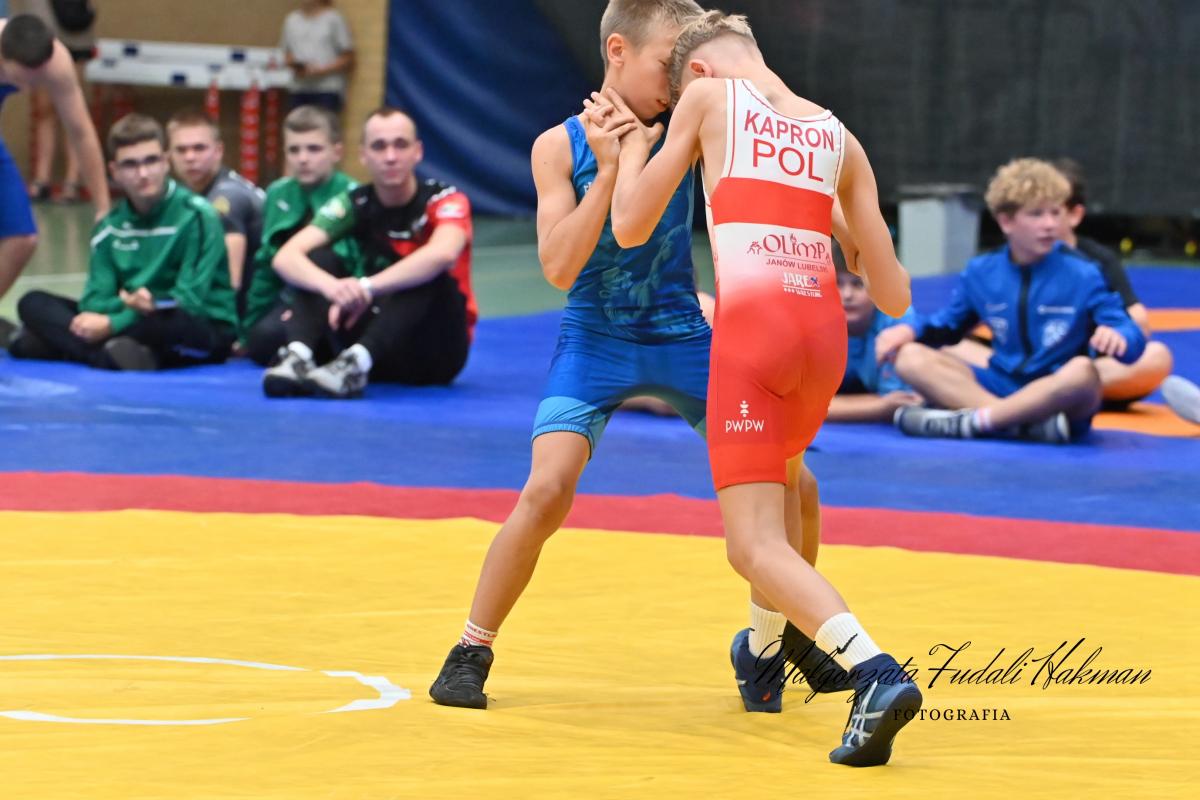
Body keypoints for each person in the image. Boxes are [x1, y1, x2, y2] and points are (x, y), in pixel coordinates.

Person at [605, 10, 921, 766]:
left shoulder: (707, 100)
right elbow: (895, 294)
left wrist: (630, 148)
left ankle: (874, 672)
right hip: (822, 344)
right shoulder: (839, 136)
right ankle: (763, 651)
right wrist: (839, 227)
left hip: (754, 337)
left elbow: (630, 226)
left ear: (698, 72)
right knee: (782, 486)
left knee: (752, 544)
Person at [428, 0, 721, 710]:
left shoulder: (690, 128)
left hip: (682, 332)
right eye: (667, 65)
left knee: (789, 482)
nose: (678, 82)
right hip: (596, 337)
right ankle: (470, 649)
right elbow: (559, 268)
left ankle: (775, 641)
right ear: (618, 51)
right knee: (546, 489)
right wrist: (614, 169)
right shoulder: (557, 147)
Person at [879, 158, 1146, 443]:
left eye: (1056, 213)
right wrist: (910, 330)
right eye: (1037, 214)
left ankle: (978, 420)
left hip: (1057, 392)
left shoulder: (1085, 272)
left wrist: (1120, 337)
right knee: (910, 357)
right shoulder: (982, 272)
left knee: (1083, 371)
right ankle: (1015, 424)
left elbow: (1132, 338)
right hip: (1001, 385)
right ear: (1006, 221)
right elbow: (946, 326)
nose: (1050, 224)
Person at [268, 106, 474, 397]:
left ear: (417, 152)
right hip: (376, 341)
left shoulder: (445, 199)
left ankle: (355, 363)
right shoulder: (355, 203)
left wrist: (366, 287)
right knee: (320, 260)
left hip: (435, 352)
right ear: (363, 155)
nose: (390, 156)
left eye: (400, 145)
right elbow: (286, 257)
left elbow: (443, 253)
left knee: (427, 271)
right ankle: (298, 356)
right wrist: (334, 288)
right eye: (379, 146)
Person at [7, 113, 236, 370]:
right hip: (133, 317)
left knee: (168, 322)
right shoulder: (109, 227)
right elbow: (94, 301)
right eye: (130, 164)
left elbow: (189, 300)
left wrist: (113, 323)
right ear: (114, 171)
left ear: (165, 162)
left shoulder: (198, 216)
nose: (143, 173)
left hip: (193, 323)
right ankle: (115, 354)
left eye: (151, 161)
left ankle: (72, 348)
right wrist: (127, 306)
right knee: (32, 302)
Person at [0, 13, 109, 324]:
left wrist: (103, 207)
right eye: (23, 78)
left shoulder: (56, 59)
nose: (30, 86)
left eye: (37, 78)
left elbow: (81, 132)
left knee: (22, 239)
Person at [242, 104, 358, 365]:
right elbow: (265, 267)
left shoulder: (353, 195)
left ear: (336, 152)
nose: (303, 159)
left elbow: (356, 268)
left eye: (314, 149)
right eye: (294, 150)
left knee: (321, 256)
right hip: (288, 299)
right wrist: (248, 327)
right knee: (261, 340)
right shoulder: (277, 193)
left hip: (339, 303)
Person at [166, 108, 265, 315]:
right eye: (181, 150)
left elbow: (230, 283)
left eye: (199, 148)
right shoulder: (188, 194)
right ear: (168, 156)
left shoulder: (227, 198)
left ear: (218, 150)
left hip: (252, 313)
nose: (190, 157)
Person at [828, 243, 923, 423]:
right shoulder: (812, 325)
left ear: (879, 288)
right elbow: (799, 406)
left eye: (858, 284)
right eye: (837, 284)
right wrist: (880, 406)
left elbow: (901, 400)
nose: (847, 295)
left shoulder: (895, 321)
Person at [17, 0, 96, 202]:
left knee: (73, 109)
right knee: (44, 109)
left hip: (74, 29)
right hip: (40, 30)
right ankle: (42, 179)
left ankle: (73, 180)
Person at [280, 0, 354, 113]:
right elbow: (286, 53)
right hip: (298, 88)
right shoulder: (291, 20)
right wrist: (296, 66)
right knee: (298, 122)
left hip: (327, 89)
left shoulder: (333, 19)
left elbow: (348, 57)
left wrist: (322, 70)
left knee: (324, 122)